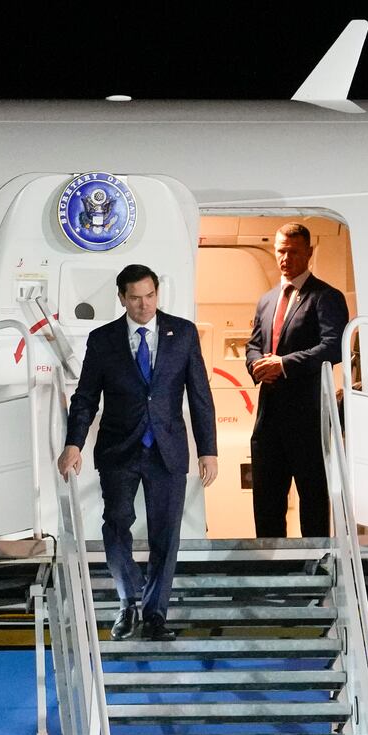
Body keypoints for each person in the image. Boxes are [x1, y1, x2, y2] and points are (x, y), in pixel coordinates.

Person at [58, 264, 218, 641]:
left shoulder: (183, 334)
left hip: (167, 449)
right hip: (119, 448)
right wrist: (74, 443)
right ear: (121, 298)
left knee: (167, 534)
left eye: (150, 296)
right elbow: (85, 399)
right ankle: (129, 599)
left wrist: (208, 450)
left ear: (157, 293)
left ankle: (155, 614)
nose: (144, 305)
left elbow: (200, 395)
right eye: (135, 298)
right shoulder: (102, 339)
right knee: (116, 525)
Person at [244, 222, 349, 538]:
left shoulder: (326, 297)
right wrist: (256, 365)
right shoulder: (266, 300)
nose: (285, 258)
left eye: (292, 251)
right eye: (280, 251)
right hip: (269, 416)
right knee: (266, 500)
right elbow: (254, 344)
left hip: (308, 417)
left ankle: (314, 568)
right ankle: (269, 568)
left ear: (308, 253)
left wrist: (284, 364)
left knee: (313, 500)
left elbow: (333, 347)